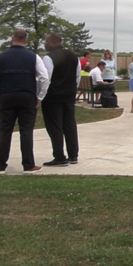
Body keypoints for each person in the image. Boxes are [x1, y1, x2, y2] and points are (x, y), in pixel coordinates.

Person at [0, 29, 49, 173]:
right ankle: (28, 164)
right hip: (27, 97)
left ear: (11, 38)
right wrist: (40, 96)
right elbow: (44, 77)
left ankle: (0, 164)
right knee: (26, 131)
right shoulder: (34, 57)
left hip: (6, 97)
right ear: (26, 40)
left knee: (5, 130)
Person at [40, 33, 81, 167]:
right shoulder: (73, 56)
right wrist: (73, 90)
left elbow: (46, 78)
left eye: (46, 41)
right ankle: (73, 155)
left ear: (52, 42)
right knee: (69, 124)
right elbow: (77, 76)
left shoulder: (49, 57)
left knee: (54, 126)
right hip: (69, 95)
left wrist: (40, 95)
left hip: (53, 96)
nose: (44, 43)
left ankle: (59, 156)